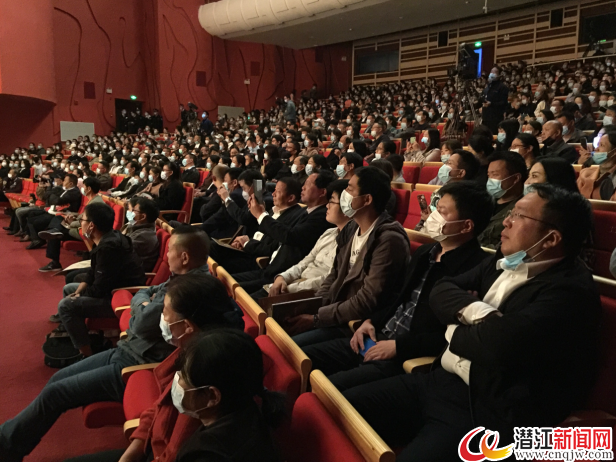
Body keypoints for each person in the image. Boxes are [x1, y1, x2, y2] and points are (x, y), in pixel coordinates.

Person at [344, 184, 600, 461]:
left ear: (551, 239)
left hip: (487, 411)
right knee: (339, 410)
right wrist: (483, 316)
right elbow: (442, 290)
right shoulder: (507, 259)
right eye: (511, 213)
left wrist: (454, 325)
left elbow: (494, 346)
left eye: (519, 216)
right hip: (438, 380)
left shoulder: (570, 293)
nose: (506, 221)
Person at [0, 232, 227, 462]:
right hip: (127, 349)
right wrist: (143, 302)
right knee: (56, 381)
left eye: (169, 250)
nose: (166, 255)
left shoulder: (190, 291)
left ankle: (7, 446)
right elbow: (145, 293)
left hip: (137, 362)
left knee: (56, 392)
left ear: (184, 257)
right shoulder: (181, 277)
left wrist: (140, 305)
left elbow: (140, 323)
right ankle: (9, 442)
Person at [303, 181, 493, 391]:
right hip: (376, 335)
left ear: (466, 226)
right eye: (436, 209)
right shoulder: (426, 253)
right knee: (299, 356)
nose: (433, 216)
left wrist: (398, 347)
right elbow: (396, 296)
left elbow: (455, 335)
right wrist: (370, 321)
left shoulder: (477, 270)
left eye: (442, 212)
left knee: (328, 390)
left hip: (405, 356)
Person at [55, 275, 244, 462]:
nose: (161, 319)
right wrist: (133, 451)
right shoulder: (188, 350)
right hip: (149, 446)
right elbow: (159, 406)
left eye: (165, 313)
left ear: (187, 326)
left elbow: (173, 452)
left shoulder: (205, 375)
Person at [286, 167, 411, 348]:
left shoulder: (389, 240)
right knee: (280, 332)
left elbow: (367, 301)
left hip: (356, 325)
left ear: (367, 199)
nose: (344, 193)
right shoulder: (351, 228)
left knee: (291, 348)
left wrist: (317, 318)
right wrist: (313, 307)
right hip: (336, 312)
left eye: (350, 189)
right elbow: (334, 276)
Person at [172, 330, 283, 462]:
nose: (177, 379)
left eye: (184, 376)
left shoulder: (210, 456)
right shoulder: (249, 411)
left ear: (212, 396)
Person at [54, 202, 147, 357]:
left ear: (91, 225)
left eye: (82, 220)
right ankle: (82, 334)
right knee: (69, 288)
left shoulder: (108, 249)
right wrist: (80, 289)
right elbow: (93, 270)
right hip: (112, 291)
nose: (80, 223)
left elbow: (99, 289)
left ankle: (86, 354)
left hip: (119, 299)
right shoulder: (110, 237)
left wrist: (80, 294)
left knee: (66, 306)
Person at [231, 171, 336, 294]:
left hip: (281, 278)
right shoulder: (306, 212)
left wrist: (260, 215)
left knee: (232, 291)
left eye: (308, 184)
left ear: (322, 192)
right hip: (271, 270)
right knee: (226, 281)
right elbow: (278, 238)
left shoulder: (322, 216)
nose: (303, 187)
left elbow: (291, 236)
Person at [259, 179, 350, 299]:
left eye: (332, 201)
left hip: (305, 295)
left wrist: (289, 287)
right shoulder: (329, 233)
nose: (327, 205)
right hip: (288, 282)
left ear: (347, 207)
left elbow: (330, 279)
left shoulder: (350, 241)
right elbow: (305, 262)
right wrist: (282, 277)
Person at [37, 178, 104, 272]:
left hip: (84, 231)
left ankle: (55, 263)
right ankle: (55, 230)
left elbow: (87, 222)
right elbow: (83, 216)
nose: (82, 188)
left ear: (89, 189)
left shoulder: (96, 203)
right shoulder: (93, 199)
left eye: (83, 186)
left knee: (54, 236)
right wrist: (74, 217)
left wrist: (72, 223)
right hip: (80, 225)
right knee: (58, 218)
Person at [478, 151, 527, 249]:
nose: (490, 180)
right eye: (489, 175)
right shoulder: (483, 201)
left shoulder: (523, 210)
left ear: (515, 178)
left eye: (495, 175)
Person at [25, 173, 83, 250]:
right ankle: (35, 238)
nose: (63, 182)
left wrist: (51, 193)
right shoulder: (64, 189)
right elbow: (46, 196)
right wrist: (51, 194)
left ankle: (37, 240)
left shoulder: (74, 192)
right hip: (54, 211)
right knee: (31, 216)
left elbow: (57, 201)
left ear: (71, 183)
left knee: (34, 222)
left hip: (63, 214)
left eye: (65, 180)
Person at [577, 131, 616, 200]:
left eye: (602, 145)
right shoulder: (585, 173)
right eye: (598, 145)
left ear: (614, 152)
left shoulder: (613, 180)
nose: (596, 149)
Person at [481, 66, 510, 133]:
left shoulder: (502, 87)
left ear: (499, 75)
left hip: (496, 117)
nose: (492, 73)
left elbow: (503, 102)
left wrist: (491, 104)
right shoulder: (487, 87)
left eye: (495, 72)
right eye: (491, 71)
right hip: (485, 116)